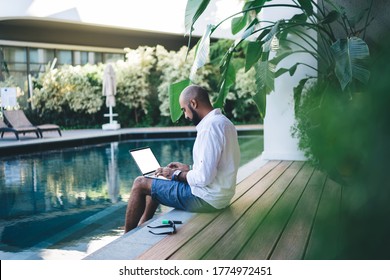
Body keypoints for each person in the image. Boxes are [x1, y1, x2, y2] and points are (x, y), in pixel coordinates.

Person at [124, 85, 240, 233]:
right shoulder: (224, 122)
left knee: (140, 183)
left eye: (184, 109)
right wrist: (187, 169)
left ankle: (125, 236)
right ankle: (142, 225)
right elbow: (217, 165)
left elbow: (203, 178)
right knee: (156, 181)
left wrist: (174, 174)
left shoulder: (209, 129)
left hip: (206, 198)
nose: (185, 115)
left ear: (193, 103)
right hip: (220, 196)